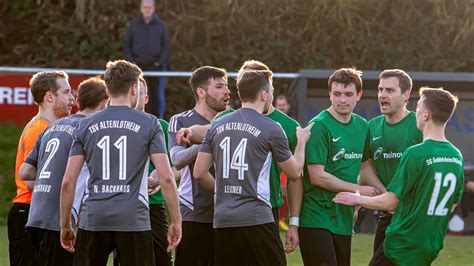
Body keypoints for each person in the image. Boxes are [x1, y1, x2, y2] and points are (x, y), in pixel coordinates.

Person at [59, 60, 181, 266]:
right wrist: (176, 221)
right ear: (134, 89)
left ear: (107, 89)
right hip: (133, 218)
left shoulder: (85, 124)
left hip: (94, 217)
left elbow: (68, 181)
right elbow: (167, 178)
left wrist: (65, 225)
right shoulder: (150, 123)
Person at [193, 69, 312, 265]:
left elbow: (199, 172)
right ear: (264, 95)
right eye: (271, 91)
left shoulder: (217, 125)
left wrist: (224, 192)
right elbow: (294, 171)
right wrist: (301, 142)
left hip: (223, 218)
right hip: (257, 218)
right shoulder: (272, 127)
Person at [334, 87, 464, 266]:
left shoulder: (416, 153)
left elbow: (390, 202)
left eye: (418, 107)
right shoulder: (456, 156)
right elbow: (452, 204)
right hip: (431, 243)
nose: (415, 111)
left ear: (425, 115)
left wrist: (355, 198)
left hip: (403, 242)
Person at [18, 77, 108, 266]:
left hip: (35, 216)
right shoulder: (88, 129)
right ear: (104, 103)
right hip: (58, 219)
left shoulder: (52, 126)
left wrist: (52, 170)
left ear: (78, 100)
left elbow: (25, 172)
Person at [299, 68, 379, 266]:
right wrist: (358, 191)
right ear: (330, 94)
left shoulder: (363, 126)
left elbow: (365, 167)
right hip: (316, 217)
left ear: (358, 95)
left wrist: (385, 196)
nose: (342, 99)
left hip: (343, 218)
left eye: (348, 94)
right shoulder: (319, 126)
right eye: (337, 94)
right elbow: (317, 176)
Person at [8, 71, 74, 266]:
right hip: (28, 211)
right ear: (49, 96)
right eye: (67, 92)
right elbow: (30, 182)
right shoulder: (39, 129)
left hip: (38, 212)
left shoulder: (52, 127)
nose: (72, 98)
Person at [358, 69, 423, 265]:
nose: (382, 95)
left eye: (389, 90)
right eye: (380, 90)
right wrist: (387, 195)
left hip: (412, 216)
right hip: (387, 214)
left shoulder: (419, 125)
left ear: (405, 95)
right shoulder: (372, 127)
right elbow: (365, 165)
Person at [168, 66, 229, 265]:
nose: (227, 91)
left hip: (230, 211)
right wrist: (207, 141)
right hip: (194, 213)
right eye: (219, 87)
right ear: (201, 92)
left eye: (227, 86)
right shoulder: (180, 121)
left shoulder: (233, 120)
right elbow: (177, 159)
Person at [137, 76, 179, 266]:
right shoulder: (114, 127)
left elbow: (177, 166)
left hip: (153, 205)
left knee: (162, 259)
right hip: (125, 206)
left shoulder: (161, 126)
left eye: (137, 92)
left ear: (146, 98)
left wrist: (158, 177)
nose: (132, 96)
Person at [123, 0, 171, 118]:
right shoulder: (133, 25)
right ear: (141, 8)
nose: (147, 9)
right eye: (145, 7)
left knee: (157, 97)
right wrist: (131, 62)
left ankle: (157, 121)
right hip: (137, 68)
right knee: (135, 94)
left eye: (149, 7)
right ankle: (134, 118)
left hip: (156, 68)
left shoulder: (161, 26)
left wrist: (159, 62)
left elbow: (167, 46)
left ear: (153, 8)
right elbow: (126, 45)